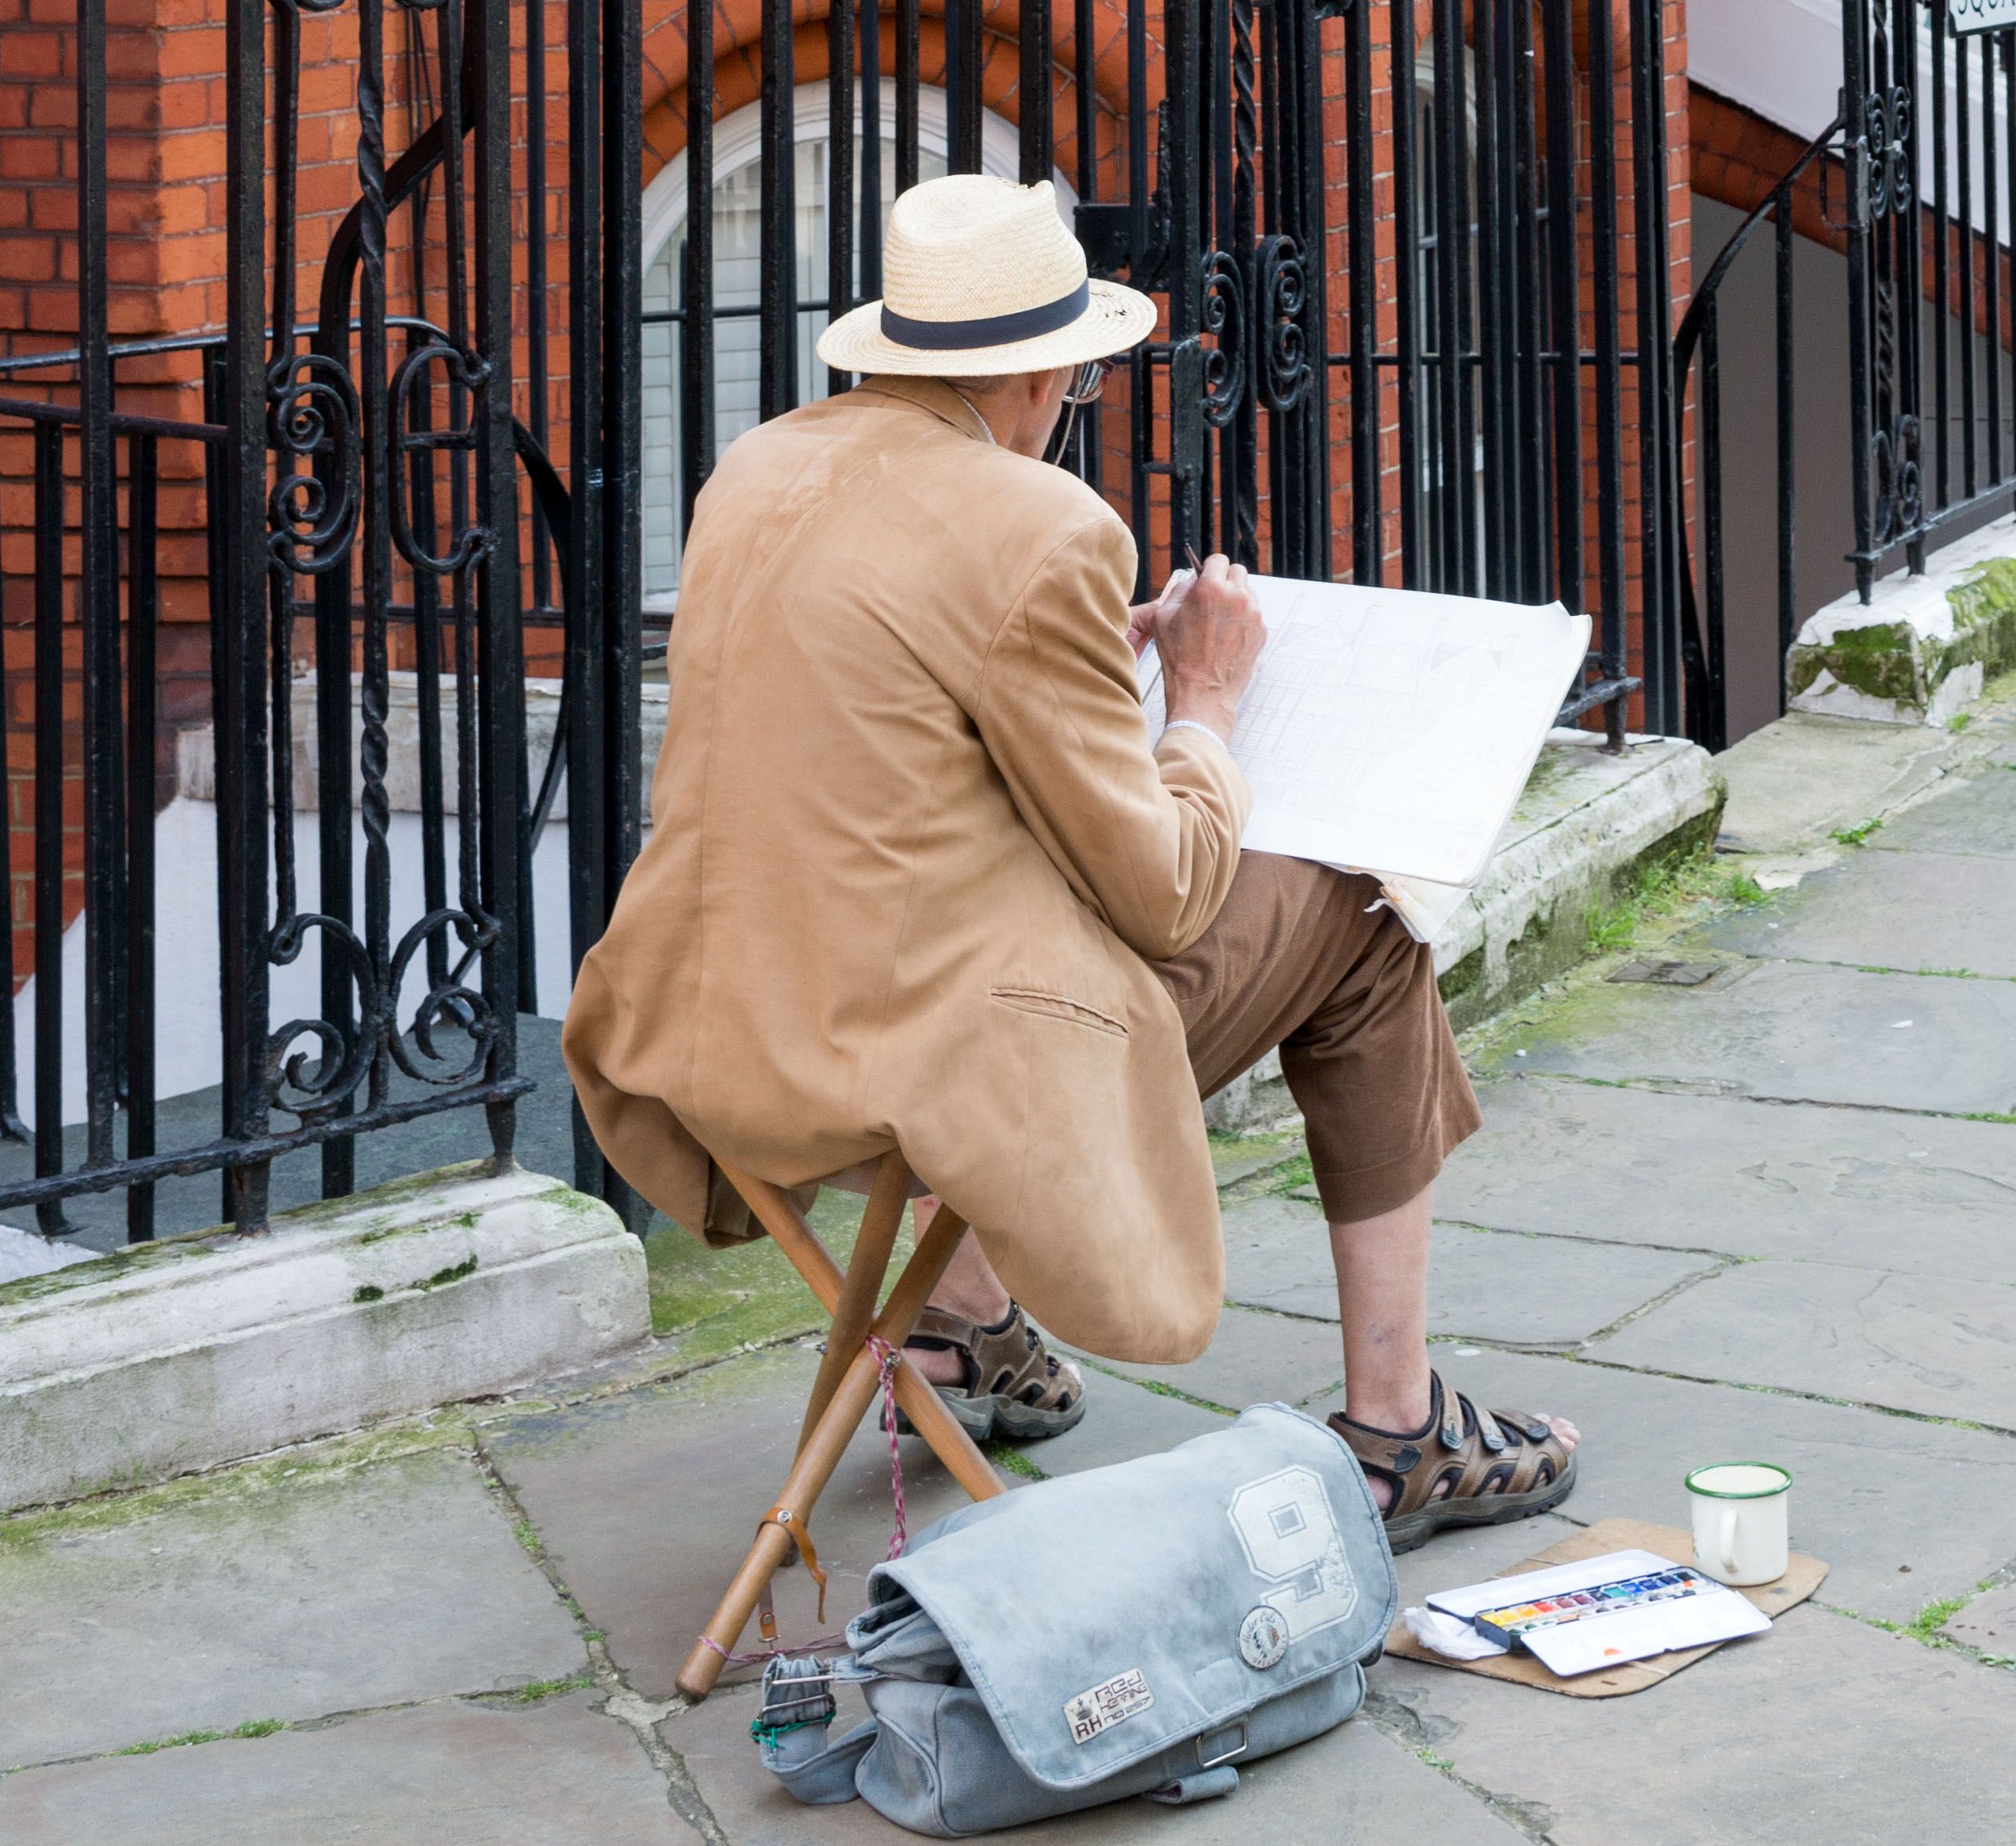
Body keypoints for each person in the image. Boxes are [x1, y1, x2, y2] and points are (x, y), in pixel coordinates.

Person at [564, 170, 1578, 1546]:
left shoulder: (758, 471)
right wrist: (1206, 702)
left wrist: (1095, 686)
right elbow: (1165, 894)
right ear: (1041, 375)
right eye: (1082, 384)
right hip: (907, 1069)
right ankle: (1399, 1427)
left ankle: (964, 1326)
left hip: (708, 1040)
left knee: (947, 914)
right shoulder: (1042, 527)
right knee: (1363, 911)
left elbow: (889, 770)